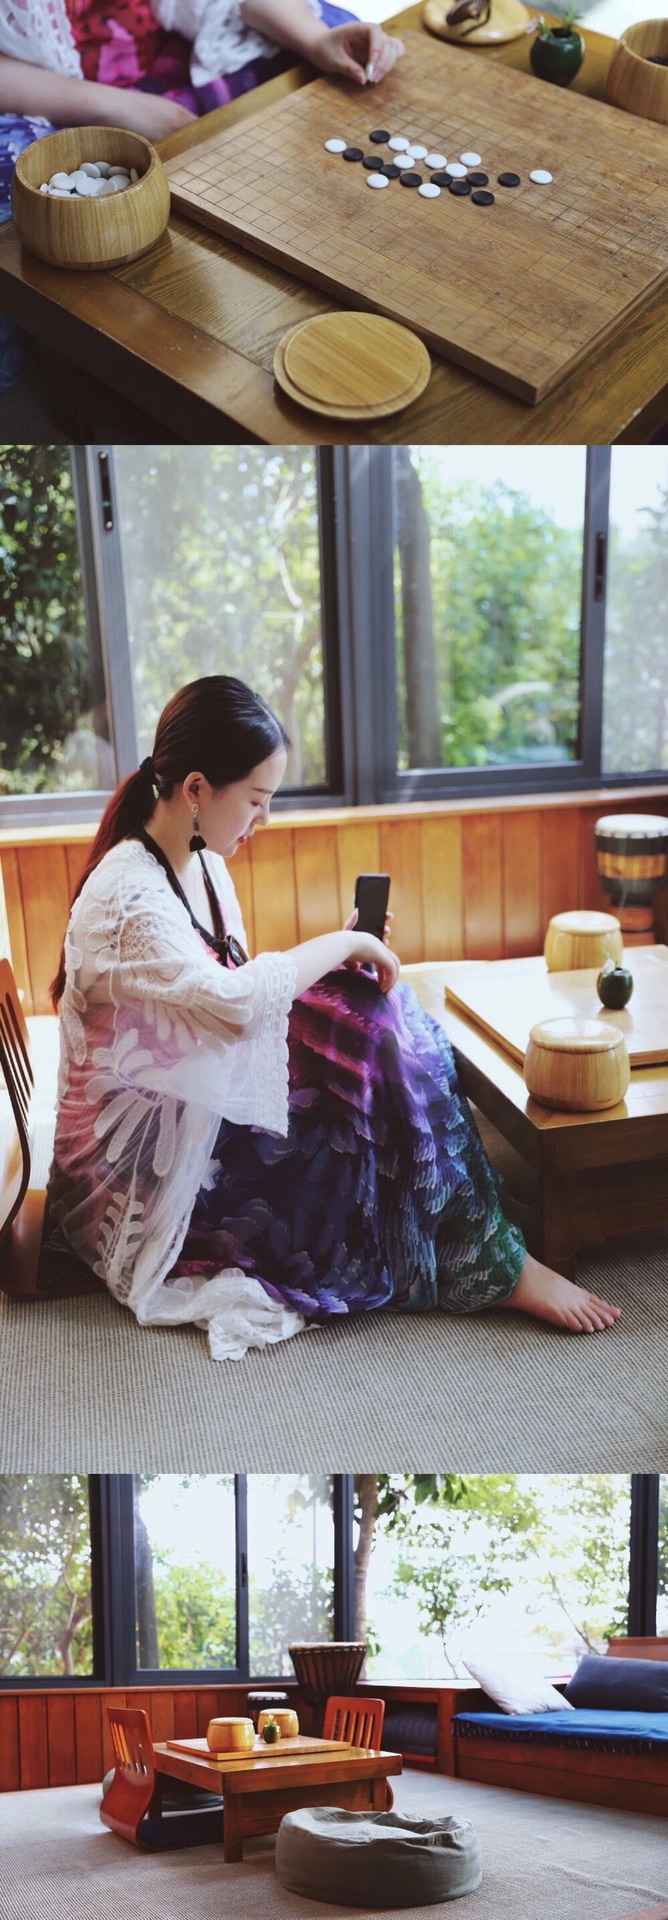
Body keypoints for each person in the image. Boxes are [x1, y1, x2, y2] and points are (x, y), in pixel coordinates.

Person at [45, 675, 620, 1362]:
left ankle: (476, 1232)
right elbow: (237, 1007)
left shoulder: (198, 861)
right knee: (366, 1040)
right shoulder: (129, 895)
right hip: (144, 1171)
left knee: (373, 1010)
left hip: (195, 1093)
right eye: (256, 799)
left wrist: (341, 955)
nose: (265, 819)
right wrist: (343, 945)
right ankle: (488, 1256)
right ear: (196, 788)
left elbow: (234, 988)